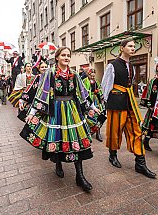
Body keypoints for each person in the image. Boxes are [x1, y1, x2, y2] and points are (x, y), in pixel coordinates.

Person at [20, 47, 100, 192]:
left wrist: (92, 107)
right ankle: (58, 164)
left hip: (72, 109)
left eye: (68, 55)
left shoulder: (74, 74)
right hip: (55, 109)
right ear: (57, 57)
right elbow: (41, 93)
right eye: (63, 55)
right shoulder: (50, 73)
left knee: (76, 138)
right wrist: (32, 112)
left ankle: (80, 176)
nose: (66, 57)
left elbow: (82, 92)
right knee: (57, 137)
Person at [101, 38, 156, 178]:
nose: (133, 48)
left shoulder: (131, 66)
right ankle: (112, 155)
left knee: (136, 130)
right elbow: (105, 85)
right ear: (122, 48)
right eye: (130, 46)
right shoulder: (112, 65)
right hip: (116, 101)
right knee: (115, 130)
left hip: (129, 100)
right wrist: (107, 103)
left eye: (134, 46)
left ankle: (140, 163)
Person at [140, 61, 158, 151]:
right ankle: (145, 141)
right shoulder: (153, 81)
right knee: (149, 126)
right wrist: (150, 105)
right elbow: (147, 93)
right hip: (154, 107)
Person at [83, 69, 106, 142]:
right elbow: (84, 92)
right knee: (89, 117)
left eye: (93, 76)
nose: (92, 77)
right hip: (89, 100)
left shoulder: (96, 82)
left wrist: (99, 92)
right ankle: (89, 131)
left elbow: (100, 89)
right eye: (91, 76)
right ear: (88, 75)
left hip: (96, 100)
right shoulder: (84, 81)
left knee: (100, 115)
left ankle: (97, 132)